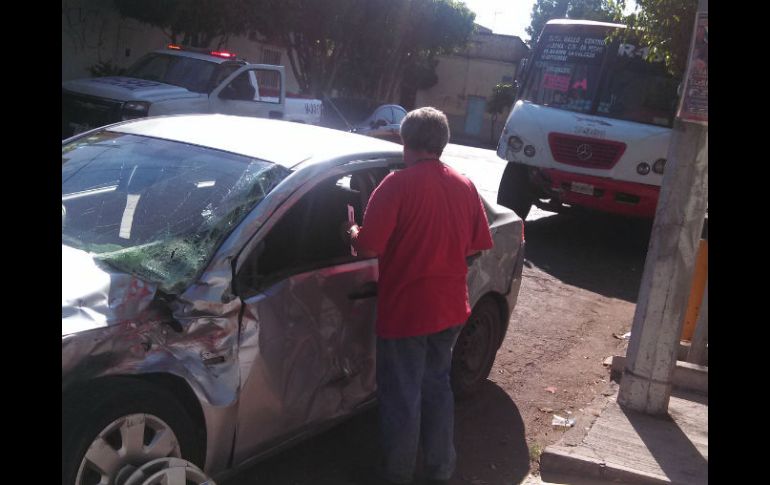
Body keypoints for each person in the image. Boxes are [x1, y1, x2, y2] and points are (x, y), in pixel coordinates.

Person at [345, 107, 494, 484]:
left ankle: (396, 474)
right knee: (437, 388)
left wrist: (351, 230)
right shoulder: (464, 185)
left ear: (404, 140)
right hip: (450, 310)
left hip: (408, 312)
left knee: (402, 397)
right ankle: (441, 468)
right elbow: (476, 247)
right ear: (442, 142)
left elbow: (368, 247)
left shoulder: (396, 185)